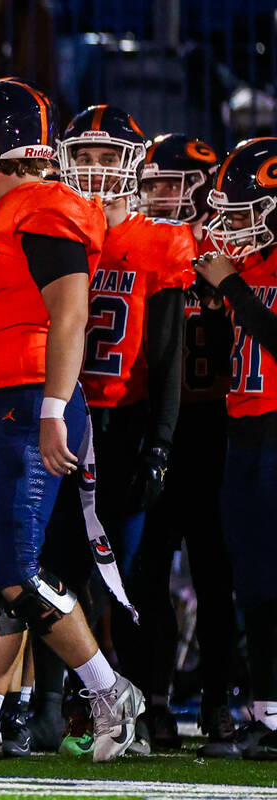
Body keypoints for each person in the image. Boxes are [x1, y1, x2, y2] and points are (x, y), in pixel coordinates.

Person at [0, 79, 143, 762]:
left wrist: (55, 409)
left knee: (16, 564)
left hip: (31, 400)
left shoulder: (47, 206)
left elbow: (71, 313)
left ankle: (110, 690)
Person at [57, 105, 195, 750]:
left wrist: (161, 442)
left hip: (126, 419)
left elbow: (166, 358)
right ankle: (72, 703)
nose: (94, 169)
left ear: (133, 165)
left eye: (108, 156)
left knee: (132, 574)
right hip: (66, 416)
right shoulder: (55, 226)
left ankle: (150, 701)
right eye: (83, 156)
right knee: (62, 566)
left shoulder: (160, 240)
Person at [137, 133, 239, 751]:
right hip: (159, 424)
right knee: (146, 571)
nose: (159, 196)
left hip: (217, 431)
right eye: (152, 184)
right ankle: (152, 696)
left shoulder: (231, 253)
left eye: (171, 184)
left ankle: (220, 701)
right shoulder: (145, 247)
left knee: (215, 573)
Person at [192, 136, 277, 760]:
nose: (235, 227)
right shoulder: (249, 268)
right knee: (254, 587)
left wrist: (235, 294)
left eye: (248, 212)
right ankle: (266, 713)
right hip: (242, 437)